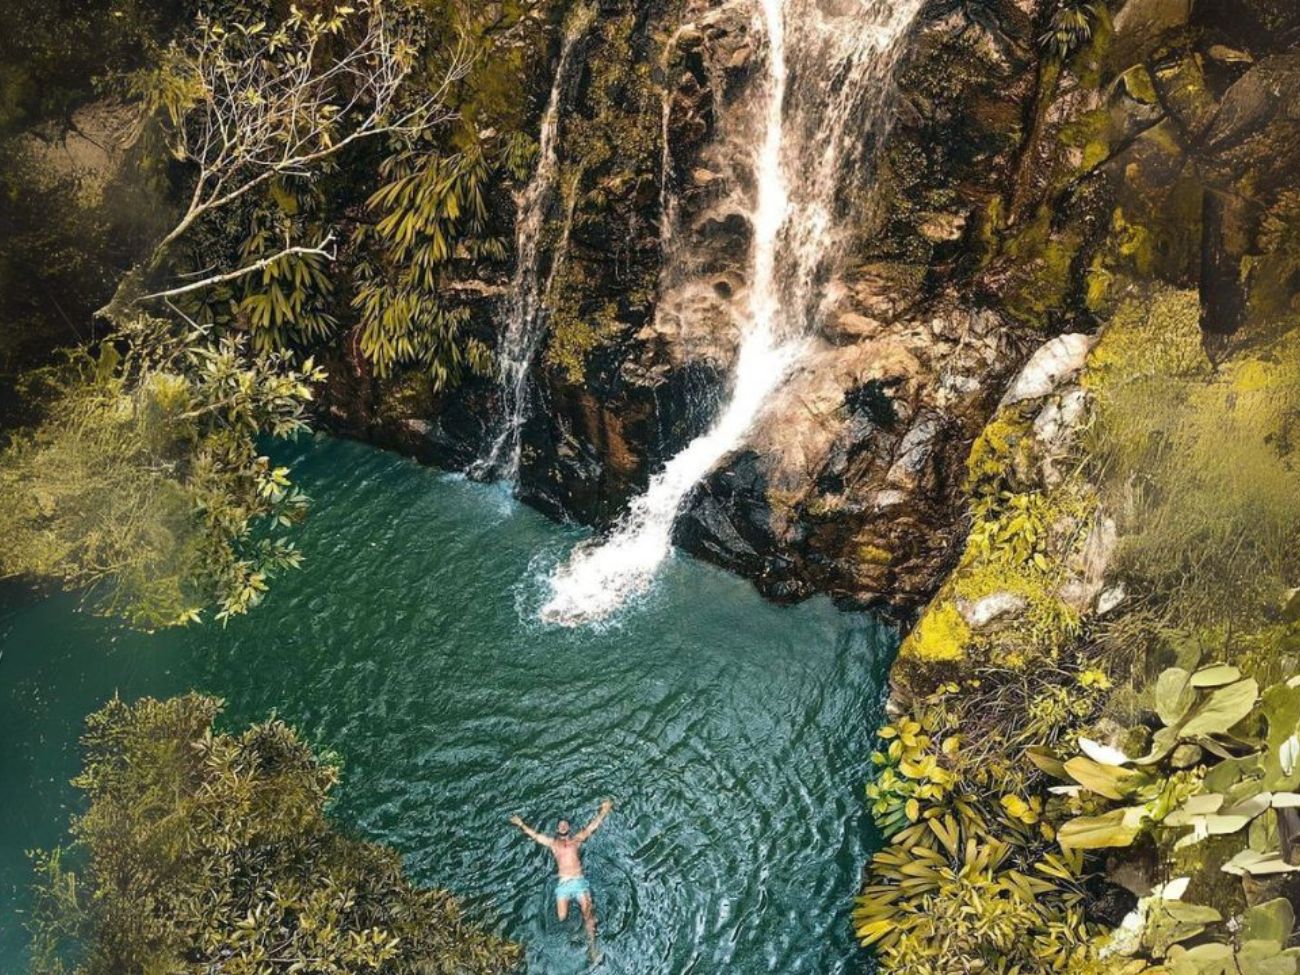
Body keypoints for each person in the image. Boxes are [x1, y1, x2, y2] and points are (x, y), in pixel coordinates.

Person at [510, 799, 614, 952]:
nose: (563, 825)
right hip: (563, 883)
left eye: (565, 824)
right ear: (557, 828)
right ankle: (572, 938)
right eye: (560, 824)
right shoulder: (553, 844)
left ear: (569, 828)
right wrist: (521, 824)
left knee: (588, 914)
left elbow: (592, 826)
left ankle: (592, 947)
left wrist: (604, 811)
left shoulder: (576, 840)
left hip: (578, 881)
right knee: (561, 918)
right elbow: (536, 836)